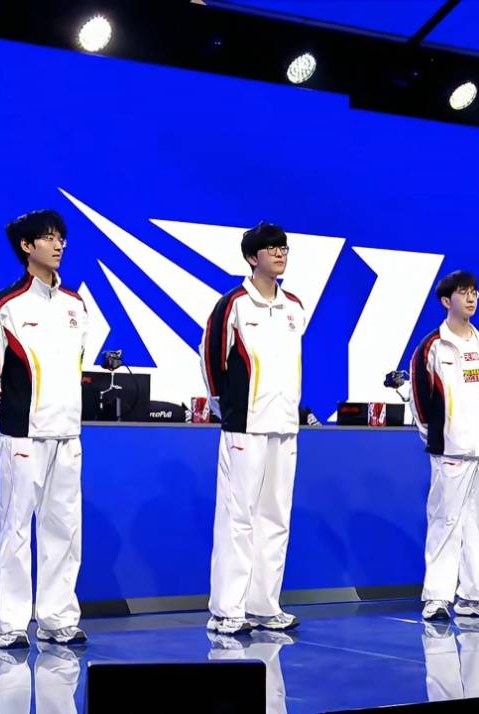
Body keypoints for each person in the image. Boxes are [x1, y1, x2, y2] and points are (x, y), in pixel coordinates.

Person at [0, 209, 88, 649]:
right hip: (22, 434)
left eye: (61, 238)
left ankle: (58, 618)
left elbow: (76, 364)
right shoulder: (4, 306)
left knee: (64, 529)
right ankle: (12, 623)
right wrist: (6, 415)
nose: (58, 245)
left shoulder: (76, 305)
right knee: (16, 528)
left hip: (68, 433)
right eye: (48, 238)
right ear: (26, 246)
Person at [199, 221, 307, 635]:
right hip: (245, 425)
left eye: (284, 248)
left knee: (276, 517)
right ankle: (227, 610)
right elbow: (211, 361)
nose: (280, 254)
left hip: (285, 426)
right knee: (237, 517)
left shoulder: (295, 306)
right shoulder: (233, 305)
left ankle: (265, 605)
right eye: (271, 248)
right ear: (251, 257)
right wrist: (226, 407)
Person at [409, 270, 479, 621]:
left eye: (474, 292)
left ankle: (477, 597)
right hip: (452, 452)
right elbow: (420, 402)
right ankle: (437, 597)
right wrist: (441, 439)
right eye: (463, 292)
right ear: (445, 300)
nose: (470, 298)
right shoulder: (432, 347)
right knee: (445, 521)